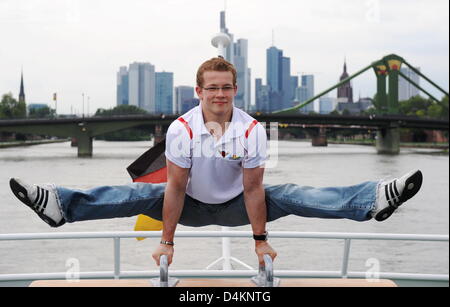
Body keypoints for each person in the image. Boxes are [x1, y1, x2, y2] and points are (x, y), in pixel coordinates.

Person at [9, 57, 423, 268]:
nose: (220, 95)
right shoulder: (182, 130)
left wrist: (259, 242)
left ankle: (373, 199)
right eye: (212, 88)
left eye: (226, 88)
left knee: (292, 192)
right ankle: (60, 205)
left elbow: (254, 189)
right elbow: (174, 188)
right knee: (138, 193)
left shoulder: (252, 129)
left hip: (240, 207)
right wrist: (167, 243)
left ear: (235, 89)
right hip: (188, 205)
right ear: (199, 91)